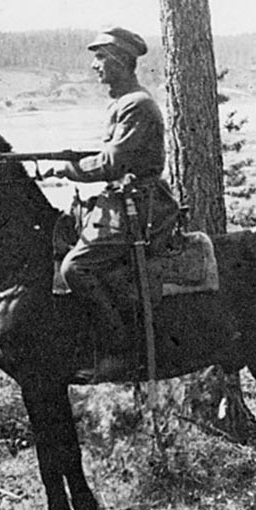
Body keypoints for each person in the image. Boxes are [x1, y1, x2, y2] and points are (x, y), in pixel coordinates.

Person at [52, 27, 178, 349]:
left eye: (100, 58)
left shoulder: (136, 105)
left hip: (140, 207)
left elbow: (112, 164)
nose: (95, 66)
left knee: (75, 268)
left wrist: (68, 169)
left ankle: (117, 344)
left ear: (121, 61)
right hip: (126, 203)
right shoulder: (124, 103)